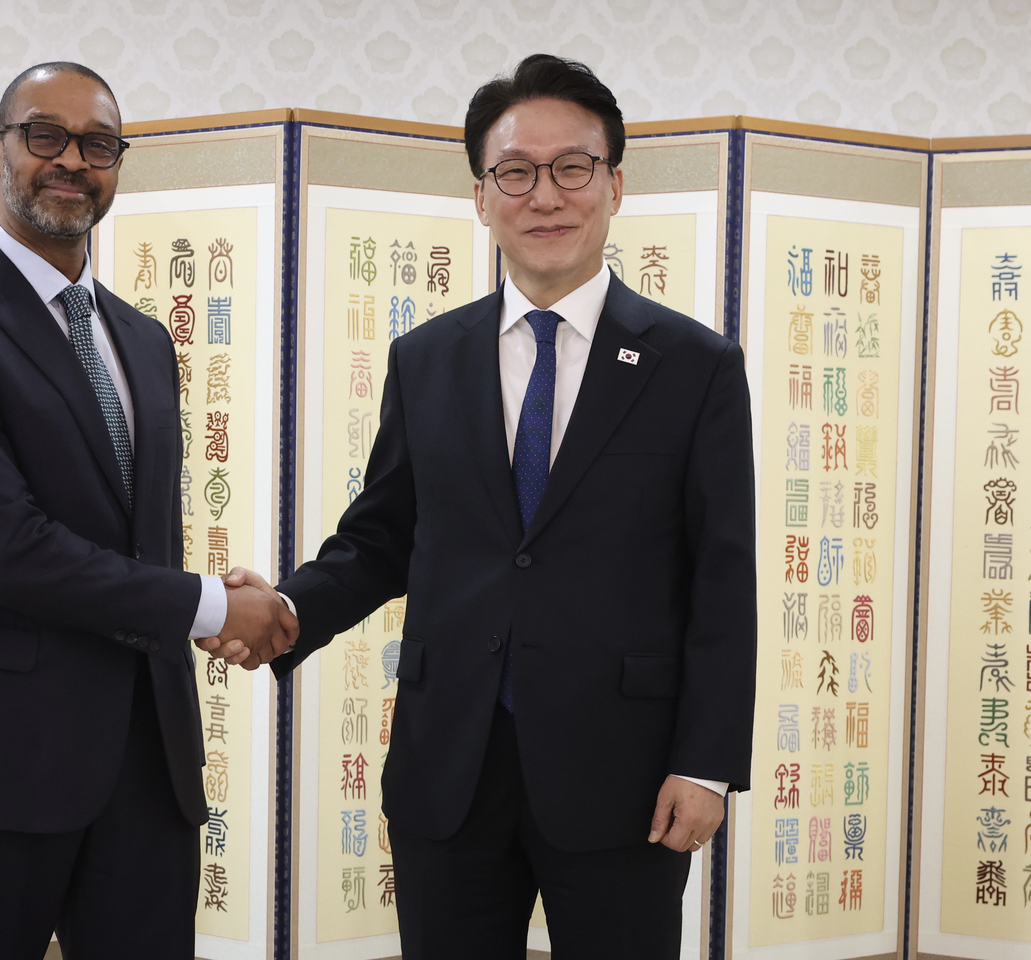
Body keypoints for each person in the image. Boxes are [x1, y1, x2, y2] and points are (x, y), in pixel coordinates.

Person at [208, 54, 755, 958]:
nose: (544, 196)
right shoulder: (427, 358)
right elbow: (382, 538)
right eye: (515, 172)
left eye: (571, 167)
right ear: (479, 195)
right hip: (448, 764)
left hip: (622, 770)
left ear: (614, 185)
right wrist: (289, 610)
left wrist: (705, 765)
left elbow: (721, 578)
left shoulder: (694, 367)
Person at [0, 61, 295, 960]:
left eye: (97, 145)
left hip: (147, 757)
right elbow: (3, 548)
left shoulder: (142, 338)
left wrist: (216, 602)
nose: (70, 161)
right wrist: (209, 605)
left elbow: (137, 538)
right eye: (44, 136)